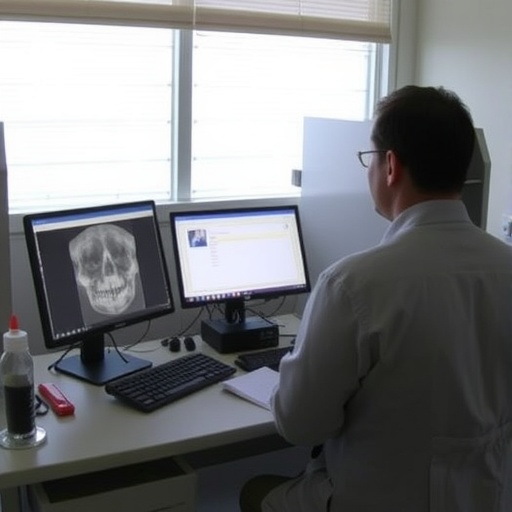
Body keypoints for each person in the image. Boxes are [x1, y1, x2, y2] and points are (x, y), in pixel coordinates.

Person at [239, 85, 512, 512]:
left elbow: (299, 425)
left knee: (253, 491)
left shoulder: (353, 285)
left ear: (390, 166)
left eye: (369, 158)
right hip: (484, 498)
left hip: (370, 500)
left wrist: (292, 368)